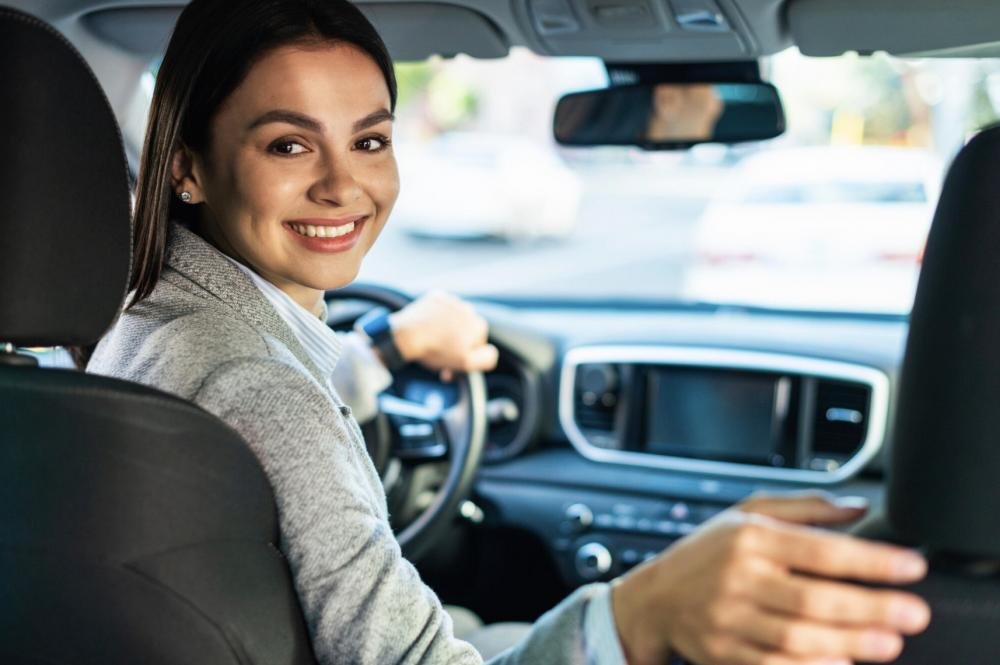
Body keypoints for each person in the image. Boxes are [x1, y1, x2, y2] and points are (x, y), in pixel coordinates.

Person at [86, 1, 933, 663]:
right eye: (288, 146)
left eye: (371, 139)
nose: (345, 186)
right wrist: (646, 609)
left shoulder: (145, 329)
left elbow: (268, 417)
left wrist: (385, 350)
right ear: (187, 167)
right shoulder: (258, 384)